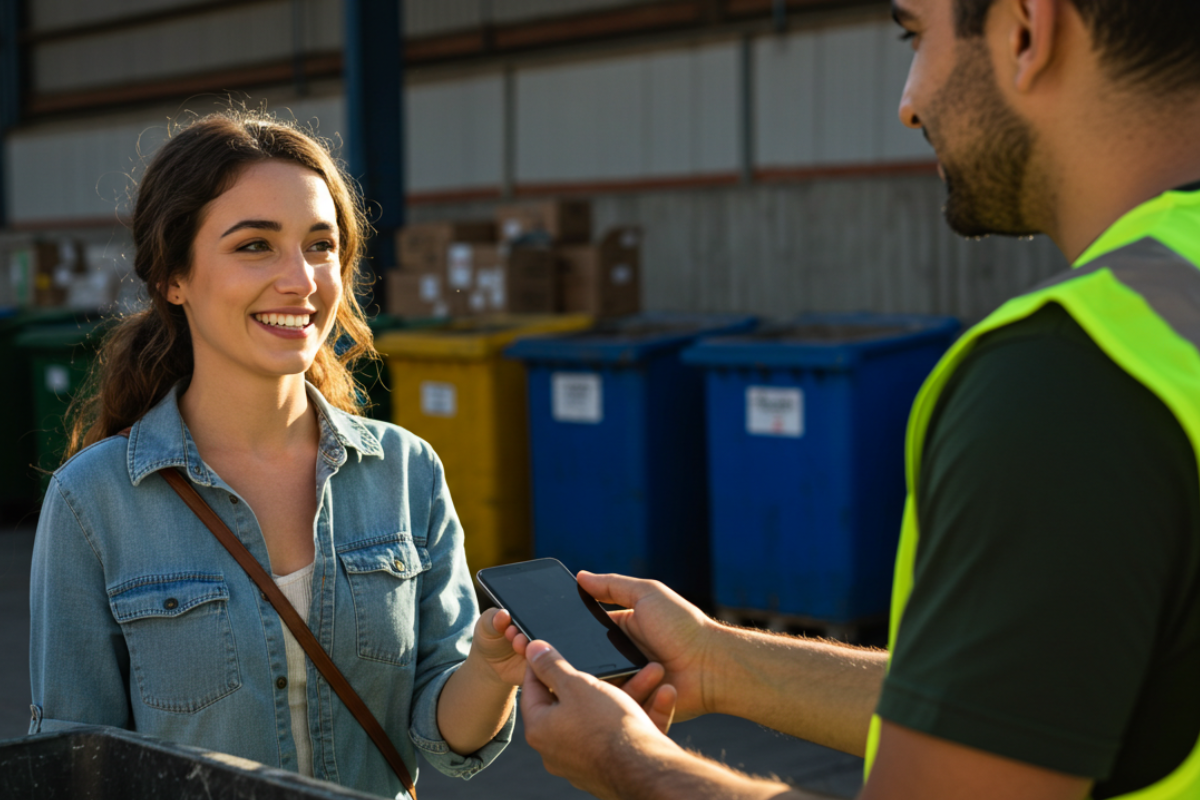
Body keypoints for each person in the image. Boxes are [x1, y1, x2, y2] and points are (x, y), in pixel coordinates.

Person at [506, 0, 1200, 798]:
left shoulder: (1069, 376)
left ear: (1025, 30)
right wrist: (718, 661)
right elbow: (1017, 701)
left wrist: (627, 760)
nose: (909, 104)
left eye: (916, 37)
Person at [27, 111, 527, 798]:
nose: (301, 280)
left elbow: (447, 739)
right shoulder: (93, 501)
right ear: (173, 277)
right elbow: (75, 766)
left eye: (320, 246)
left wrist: (493, 670)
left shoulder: (406, 471)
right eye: (255, 246)